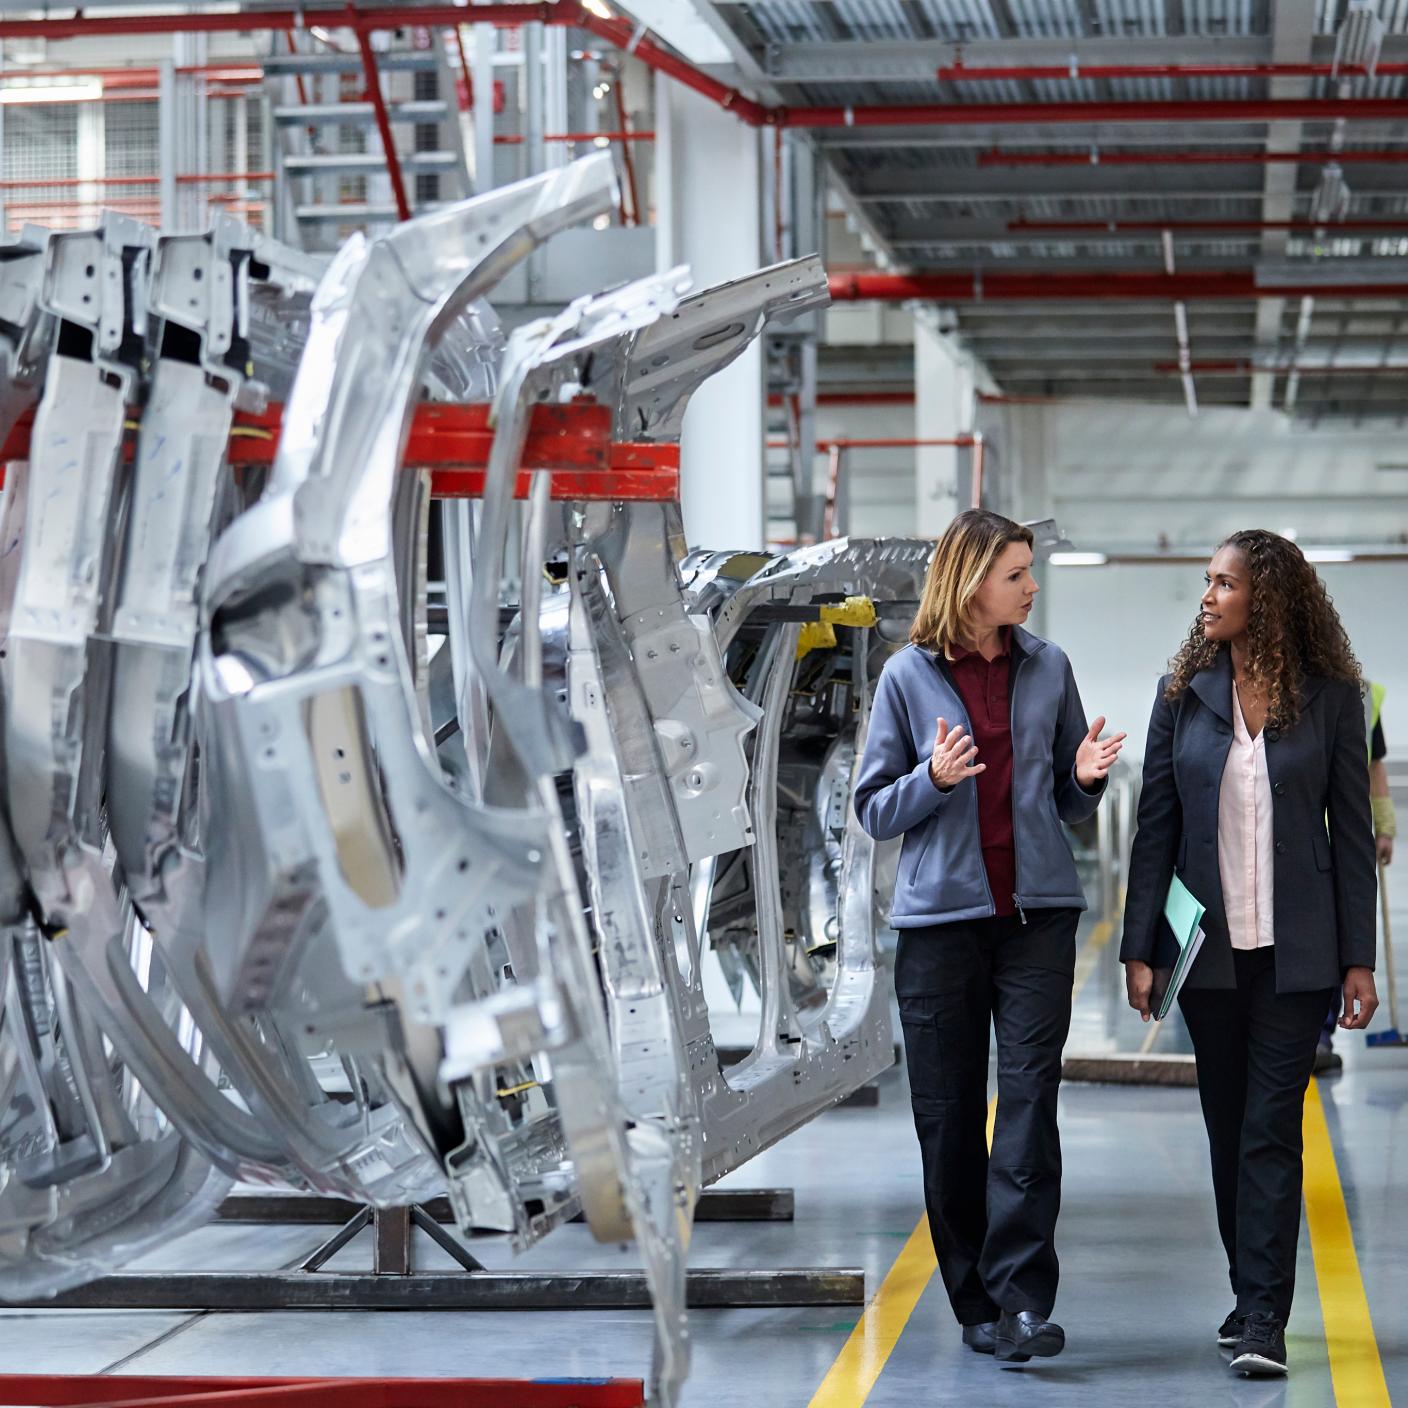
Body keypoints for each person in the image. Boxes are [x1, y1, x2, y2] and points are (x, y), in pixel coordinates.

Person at [854, 509, 1124, 1365]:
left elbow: (1068, 802)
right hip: (941, 927)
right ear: (972, 583)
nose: (1032, 586)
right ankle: (973, 1300)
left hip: (1037, 919)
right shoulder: (906, 677)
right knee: (949, 1117)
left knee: (1030, 1105)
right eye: (1017, 574)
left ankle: (1023, 1302)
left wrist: (1084, 779)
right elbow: (873, 809)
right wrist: (931, 781)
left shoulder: (1050, 667)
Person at [1119, 529, 1378, 1378]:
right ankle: (1247, 1292)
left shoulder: (1333, 698)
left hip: (1298, 955)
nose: (1208, 597)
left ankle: (1265, 1316)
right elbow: (1156, 828)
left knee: (1271, 1129)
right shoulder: (1181, 697)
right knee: (1228, 1129)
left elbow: (1351, 836)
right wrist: (1140, 950)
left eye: (1224, 583)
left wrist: (1360, 959)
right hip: (1209, 955)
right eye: (1208, 582)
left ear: (1266, 598)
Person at [1315, 690, 1395, 1073]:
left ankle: (1321, 1033)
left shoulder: (1365, 695)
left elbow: (1374, 767)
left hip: (1345, 834)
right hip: (1305, 836)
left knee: (1336, 937)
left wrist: (1385, 826)